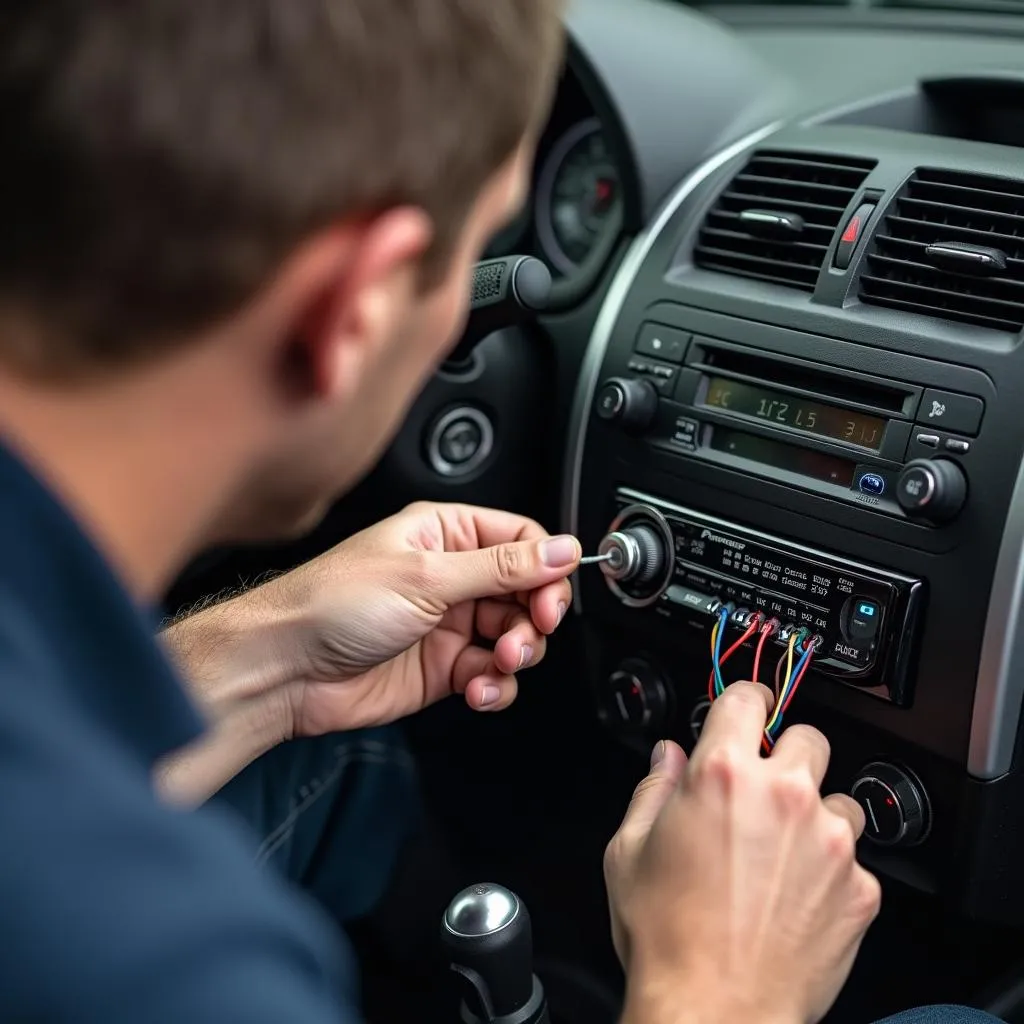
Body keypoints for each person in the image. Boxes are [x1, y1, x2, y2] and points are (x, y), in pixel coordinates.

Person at [0, 2, 1001, 1022]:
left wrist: (274, 659)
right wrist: (713, 980)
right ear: (354, 307)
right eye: (479, 241)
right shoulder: (157, 966)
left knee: (331, 756)